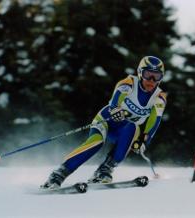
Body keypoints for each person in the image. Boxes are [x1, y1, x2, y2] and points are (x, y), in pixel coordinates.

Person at [41, 56, 167, 189]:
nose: (151, 81)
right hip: (107, 121)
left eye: (156, 76)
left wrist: (143, 141)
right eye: (148, 74)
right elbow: (115, 101)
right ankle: (58, 175)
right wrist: (115, 110)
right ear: (140, 73)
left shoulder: (159, 98)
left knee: (133, 128)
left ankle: (103, 171)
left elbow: (154, 122)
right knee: (96, 143)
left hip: (123, 130)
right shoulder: (129, 83)